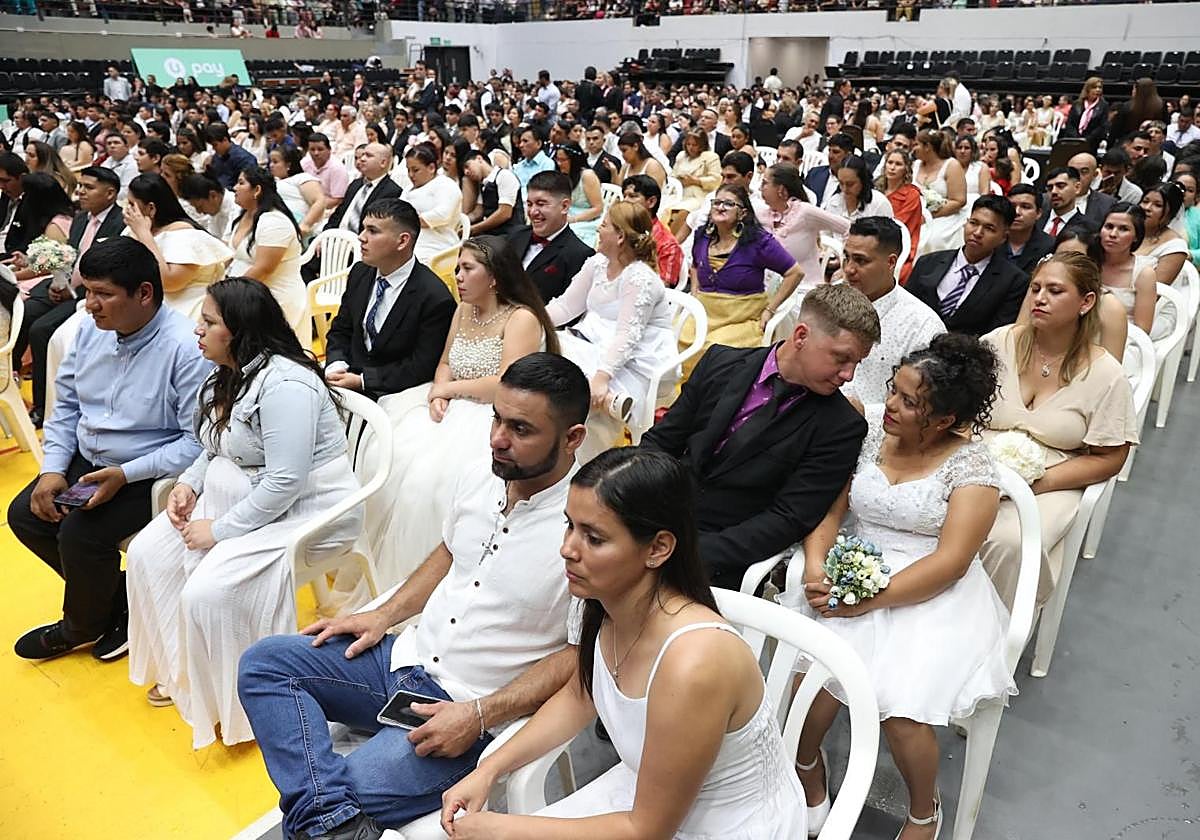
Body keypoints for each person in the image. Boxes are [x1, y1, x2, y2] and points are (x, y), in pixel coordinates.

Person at [236, 353, 588, 840]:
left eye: (521, 429)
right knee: (266, 664)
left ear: (572, 438)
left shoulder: (587, 532)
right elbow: (450, 551)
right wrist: (383, 614)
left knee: (348, 792)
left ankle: (325, 815)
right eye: (496, 419)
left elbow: (579, 655)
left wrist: (480, 715)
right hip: (405, 659)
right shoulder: (483, 473)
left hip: (470, 706)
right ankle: (329, 819)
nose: (498, 439)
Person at [441, 445, 807, 839]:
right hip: (651, 795)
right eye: (569, 526)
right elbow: (582, 694)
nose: (567, 549)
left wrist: (505, 829)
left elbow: (648, 830)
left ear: (658, 549)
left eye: (594, 538)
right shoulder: (602, 598)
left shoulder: (695, 664)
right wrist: (490, 767)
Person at [784, 333, 1015, 840]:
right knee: (809, 688)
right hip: (850, 565)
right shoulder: (868, 433)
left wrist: (868, 600)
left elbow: (953, 560)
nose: (890, 404)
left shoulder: (972, 466)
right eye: (895, 388)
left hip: (930, 591)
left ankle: (922, 811)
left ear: (946, 421)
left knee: (901, 709)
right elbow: (832, 506)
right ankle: (806, 769)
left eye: (910, 402)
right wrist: (817, 564)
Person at [126, 277, 362, 748]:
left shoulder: (286, 386)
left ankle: (246, 705)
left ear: (239, 330)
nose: (197, 329)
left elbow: (286, 481)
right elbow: (215, 443)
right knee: (147, 554)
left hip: (308, 513)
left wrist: (219, 530)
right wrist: (190, 485)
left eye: (209, 322)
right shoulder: (230, 371)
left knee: (206, 593)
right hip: (239, 499)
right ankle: (189, 677)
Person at [9, 237, 209, 662]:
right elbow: (66, 406)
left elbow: (197, 443)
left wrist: (125, 475)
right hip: (91, 459)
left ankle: (79, 626)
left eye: (103, 294)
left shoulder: (185, 349)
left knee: (80, 535)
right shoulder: (90, 331)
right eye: (88, 292)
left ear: (144, 293)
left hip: (148, 470)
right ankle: (121, 602)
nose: (90, 305)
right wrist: (53, 469)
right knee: (26, 513)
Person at [641, 283, 878, 589]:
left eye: (856, 363)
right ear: (801, 335)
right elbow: (662, 442)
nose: (849, 375)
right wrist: (632, 503)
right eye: (841, 358)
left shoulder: (840, 427)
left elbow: (788, 519)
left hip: (722, 554)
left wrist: (690, 554)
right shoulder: (720, 362)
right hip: (657, 515)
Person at [366, 235, 556, 586]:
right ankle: (385, 574)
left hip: (493, 416)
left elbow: (506, 383)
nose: (458, 276)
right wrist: (439, 393)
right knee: (388, 458)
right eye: (457, 268)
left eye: (468, 269)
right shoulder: (463, 309)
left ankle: (446, 578)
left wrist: (447, 390)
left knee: (431, 484)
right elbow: (444, 362)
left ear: (495, 276)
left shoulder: (521, 319)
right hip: (450, 404)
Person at [979, 252, 1138, 609]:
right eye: (1035, 288)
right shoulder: (999, 342)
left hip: (1052, 477)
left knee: (1010, 542)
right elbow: (958, 410)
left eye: (1054, 290)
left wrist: (1036, 481)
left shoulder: (1106, 374)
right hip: (979, 463)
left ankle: (996, 632)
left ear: (1086, 302)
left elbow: (1112, 456)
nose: (1039, 298)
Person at [546, 201, 678, 463]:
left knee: (577, 388)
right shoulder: (596, 264)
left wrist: (601, 378)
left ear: (620, 236)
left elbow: (627, 336)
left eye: (604, 224)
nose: (598, 229)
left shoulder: (640, 277)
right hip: (593, 341)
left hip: (635, 358)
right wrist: (530, 320)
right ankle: (556, 439)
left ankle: (580, 460)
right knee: (546, 348)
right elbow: (565, 306)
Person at [15, 168, 125, 427]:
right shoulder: (80, 218)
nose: (80, 192)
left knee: (41, 330)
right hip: (65, 283)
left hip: (90, 293)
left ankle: (44, 407)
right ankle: (11, 374)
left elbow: (112, 270)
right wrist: (58, 281)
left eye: (89, 187)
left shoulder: (120, 223)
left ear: (110, 193)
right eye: (80, 186)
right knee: (23, 311)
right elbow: (69, 257)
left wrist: (73, 289)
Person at [323, 199, 456, 401]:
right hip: (346, 379)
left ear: (402, 241)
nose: (361, 238)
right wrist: (336, 364)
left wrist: (364, 381)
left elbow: (421, 365)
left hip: (396, 393)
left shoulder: (435, 297)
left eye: (372, 231)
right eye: (363, 229)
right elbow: (341, 329)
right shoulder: (360, 272)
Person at [686, 183, 803, 365]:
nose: (720, 207)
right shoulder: (702, 236)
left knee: (713, 350)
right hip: (705, 311)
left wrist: (769, 310)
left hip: (741, 317)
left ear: (743, 213)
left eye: (729, 204)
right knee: (679, 339)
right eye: (716, 202)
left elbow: (795, 273)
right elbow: (695, 265)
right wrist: (694, 291)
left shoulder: (758, 241)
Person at [839, 217, 945, 406]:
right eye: (846, 257)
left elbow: (921, 405)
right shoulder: (830, 300)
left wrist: (863, 414)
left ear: (890, 262)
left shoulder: (922, 326)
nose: (848, 269)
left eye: (860, 260)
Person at [907, 195, 1030, 337]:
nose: (977, 233)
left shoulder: (1014, 281)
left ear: (1003, 237)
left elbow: (995, 336)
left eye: (989, 228)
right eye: (973, 223)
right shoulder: (928, 263)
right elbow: (906, 310)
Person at [122, 173, 234, 322]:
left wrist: (144, 236)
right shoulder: (133, 229)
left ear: (151, 208)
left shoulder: (184, 233)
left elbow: (170, 282)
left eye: (131, 204)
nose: (126, 210)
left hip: (184, 309)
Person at [226, 167, 307, 340]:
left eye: (241, 183)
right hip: (245, 292)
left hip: (274, 299)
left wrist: (230, 298)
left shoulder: (274, 221)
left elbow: (263, 269)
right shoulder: (242, 215)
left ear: (257, 190)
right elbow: (228, 254)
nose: (235, 188)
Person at [757, 162, 850, 290]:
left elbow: (848, 228)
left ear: (781, 190)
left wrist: (846, 266)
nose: (759, 188)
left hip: (804, 289)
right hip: (769, 288)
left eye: (764, 183)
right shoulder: (761, 213)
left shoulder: (805, 212)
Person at [507, 170, 595, 304]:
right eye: (530, 204)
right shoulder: (516, 235)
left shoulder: (579, 255)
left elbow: (569, 309)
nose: (532, 212)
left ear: (564, 206)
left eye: (541, 204)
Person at [1097, 202, 1163, 339]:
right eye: (1109, 227)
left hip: (1125, 341)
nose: (1113, 234)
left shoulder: (1143, 273)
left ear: (1136, 236)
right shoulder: (1089, 261)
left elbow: (1142, 330)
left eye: (1123, 229)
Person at [401, 143, 464, 267]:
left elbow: (442, 215)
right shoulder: (407, 189)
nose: (411, 175)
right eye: (408, 170)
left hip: (437, 244)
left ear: (431, 167)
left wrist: (408, 221)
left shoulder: (446, 185)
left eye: (415, 170)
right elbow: (397, 213)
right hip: (408, 239)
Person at [911, 129, 968, 256]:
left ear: (927, 147)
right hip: (915, 215)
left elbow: (959, 201)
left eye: (916, 144)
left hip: (945, 216)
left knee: (930, 239)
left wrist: (928, 216)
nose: (913, 148)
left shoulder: (952, 165)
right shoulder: (915, 165)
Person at [326, 142, 403, 234]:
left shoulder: (392, 191)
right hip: (336, 237)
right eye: (362, 155)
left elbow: (377, 227)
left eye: (368, 156)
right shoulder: (355, 184)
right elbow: (338, 215)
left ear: (383, 163)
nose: (362, 159)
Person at [622, 174, 684, 287]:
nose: (625, 201)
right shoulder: (619, 229)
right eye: (624, 196)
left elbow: (663, 286)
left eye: (632, 196)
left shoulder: (667, 244)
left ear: (651, 202)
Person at [877, 149, 924, 283]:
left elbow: (899, 224)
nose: (892, 167)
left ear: (906, 169)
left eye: (898, 164)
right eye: (890, 162)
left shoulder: (911, 195)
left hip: (899, 242)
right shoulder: (876, 188)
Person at [670, 127, 722, 235]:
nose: (691, 148)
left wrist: (696, 181)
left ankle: (670, 238)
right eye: (688, 144)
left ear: (702, 145)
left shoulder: (711, 157)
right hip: (679, 193)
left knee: (684, 211)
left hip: (698, 195)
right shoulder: (681, 156)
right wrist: (678, 180)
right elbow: (672, 175)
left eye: (694, 145)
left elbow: (716, 180)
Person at [1136, 181, 1189, 286]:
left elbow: (1156, 290)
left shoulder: (1175, 246)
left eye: (1157, 205)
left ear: (1171, 213)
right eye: (1145, 201)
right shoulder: (1129, 231)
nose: (1147, 208)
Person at [269, 146, 326, 241]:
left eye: (275, 162)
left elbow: (319, 201)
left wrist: (305, 225)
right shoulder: (273, 181)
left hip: (296, 227)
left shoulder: (302, 178)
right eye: (270, 161)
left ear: (288, 165)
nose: (271, 165)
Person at [462, 149, 524, 236]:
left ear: (479, 159)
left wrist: (474, 229)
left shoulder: (504, 175)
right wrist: (462, 222)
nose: (466, 172)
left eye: (467, 166)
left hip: (509, 234)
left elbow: (505, 213)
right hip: (490, 234)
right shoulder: (483, 184)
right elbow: (478, 212)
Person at [554, 142, 604, 249]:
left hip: (587, 220)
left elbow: (598, 208)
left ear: (573, 160)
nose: (559, 163)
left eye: (563, 160)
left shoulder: (587, 175)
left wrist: (574, 219)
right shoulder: (563, 175)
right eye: (557, 159)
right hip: (566, 216)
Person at [1002, 184, 1056, 276]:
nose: (1017, 212)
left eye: (1025, 207)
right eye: (1012, 206)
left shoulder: (1050, 246)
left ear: (1038, 213)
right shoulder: (993, 241)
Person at [826, 156, 896, 222]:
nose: (844, 189)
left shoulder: (879, 203)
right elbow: (824, 232)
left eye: (850, 184)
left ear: (862, 181)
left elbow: (888, 233)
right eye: (841, 183)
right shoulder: (834, 201)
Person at [179, 172, 240, 240]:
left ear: (213, 196)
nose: (199, 212)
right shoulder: (215, 209)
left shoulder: (237, 208)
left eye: (200, 207)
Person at [302, 132, 350, 213]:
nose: (316, 153)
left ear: (329, 150)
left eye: (320, 149)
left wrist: (314, 205)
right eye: (312, 149)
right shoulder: (305, 163)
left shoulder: (337, 169)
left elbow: (337, 200)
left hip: (328, 210)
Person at [205, 123, 259, 190]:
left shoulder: (245, 159)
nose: (213, 148)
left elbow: (247, 186)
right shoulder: (216, 156)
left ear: (225, 140)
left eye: (215, 145)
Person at [1064, 77, 1109, 152]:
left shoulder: (1103, 106)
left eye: (1100, 87)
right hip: (1073, 140)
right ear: (1088, 89)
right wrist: (1076, 138)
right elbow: (1070, 123)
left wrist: (1087, 139)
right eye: (1094, 87)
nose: (1098, 90)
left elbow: (1102, 126)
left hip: (1091, 143)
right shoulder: (1077, 104)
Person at [512, 126, 556, 193]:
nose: (521, 145)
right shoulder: (518, 166)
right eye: (520, 142)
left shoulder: (547, 164)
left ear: (538, 144)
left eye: (525, 141)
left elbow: (544, 191)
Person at [954, 134, 992, 202]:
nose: (962, 151)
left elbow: (984, 194)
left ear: (973, 151)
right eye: (959, 147)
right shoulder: (949, 167)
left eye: (967, 148)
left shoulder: (981, 167)